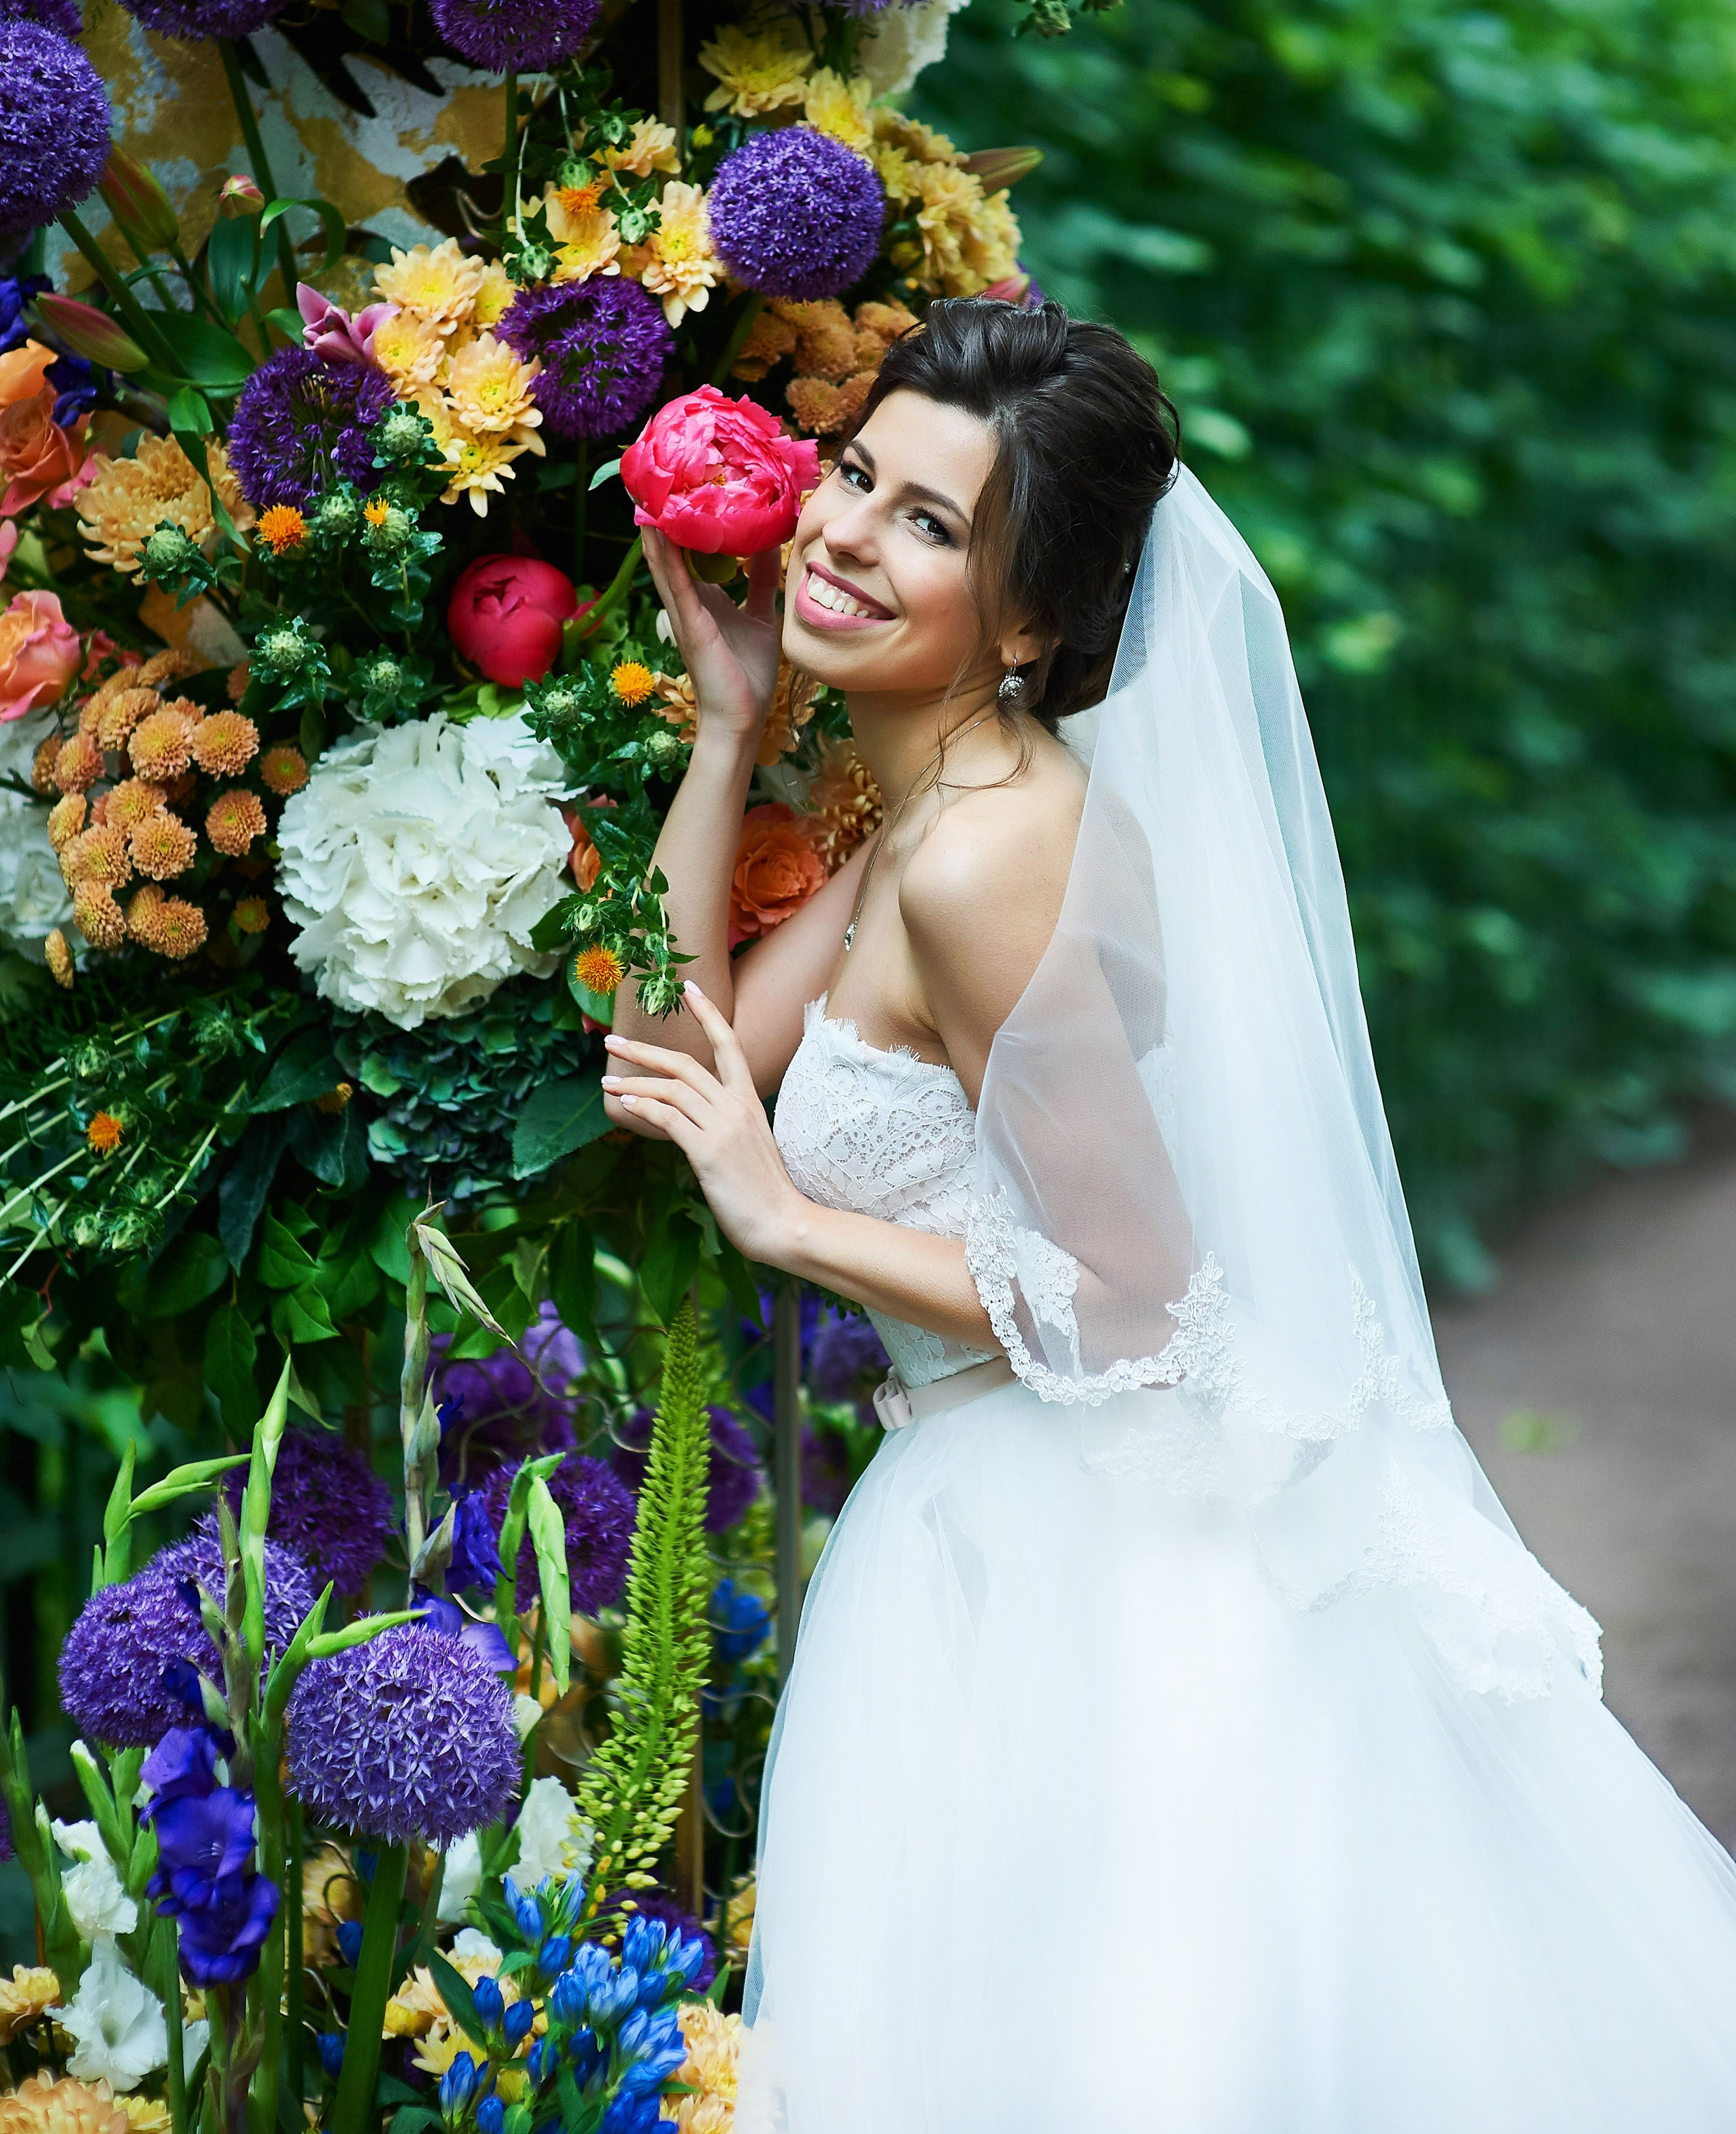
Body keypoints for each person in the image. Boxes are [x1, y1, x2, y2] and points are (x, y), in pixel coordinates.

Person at [602, 298, 1736, 2131]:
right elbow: (680, 1056)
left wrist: (790, 1226)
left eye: (926, 524)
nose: (844, 533)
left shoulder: (984, 856)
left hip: (1077, 1537)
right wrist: (728, 731)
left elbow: (1138, 1298)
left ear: (1028, 624)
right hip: (991, 1492)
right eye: (857, 474)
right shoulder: (924, 808)